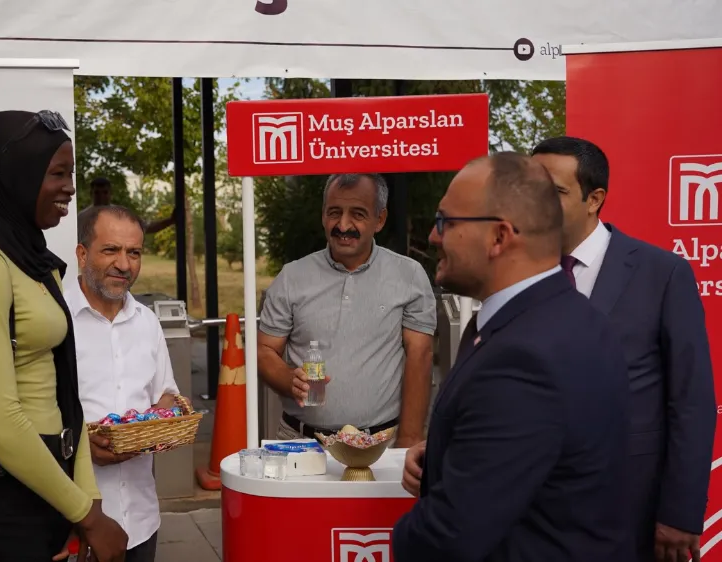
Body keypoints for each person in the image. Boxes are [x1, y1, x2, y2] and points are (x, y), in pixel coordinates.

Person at [393, 153, 630, 561]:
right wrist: (447, 454)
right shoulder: (573, 317)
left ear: (499, 237)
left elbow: (450, 536)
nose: (434, 237)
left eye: (445, 222)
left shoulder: (522, 358)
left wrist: (403, 538)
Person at [0, 110, 127, 562]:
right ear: (12, 176)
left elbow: (63, 395)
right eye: (57, 173)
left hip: (47, 487)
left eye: (71, 173)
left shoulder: (34, 262)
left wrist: (84, 502)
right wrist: (89, 515)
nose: (71, 188)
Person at [532, 136, 715, 562]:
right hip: (534, 512)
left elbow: (691, 402)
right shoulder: (513, 271)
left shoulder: (662, 273)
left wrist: (681, 513)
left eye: (553, 192)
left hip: (632, 507)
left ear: (594, 199)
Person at [257, 173, 436, 448]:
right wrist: (286, 378)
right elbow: (265, 350)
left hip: (380, 446)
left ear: (380, 219)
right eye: (334, 212)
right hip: (301, 443)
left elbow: (420, 355)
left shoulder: (408, 275)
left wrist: (410, 439)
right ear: (323, 216)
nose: (343, 224)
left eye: (358, 214)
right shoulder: (292, 276)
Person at [65, 204, 180, 562]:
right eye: (111, 250)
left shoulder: (147, 322)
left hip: (142, 521)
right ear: (83, 254)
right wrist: (82, 444)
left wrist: (165, 420)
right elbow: (26, 419)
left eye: (134, 253)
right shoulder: (56, 322)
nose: (125, 264)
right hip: (75, 522)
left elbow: (167, 394)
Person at [82, 176, 176, 235]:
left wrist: (171, 220)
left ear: (111, 193)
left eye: (105, 192)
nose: (101, 196)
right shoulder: (82, 218)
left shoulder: (122, 215)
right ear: (91, 194)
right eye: (97, 193)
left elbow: (147, 227)